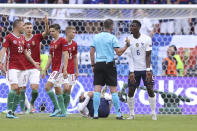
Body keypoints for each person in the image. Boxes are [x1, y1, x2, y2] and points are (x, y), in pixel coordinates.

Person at [90, 19, 130, 120]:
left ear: (103, 26)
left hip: (98, 64)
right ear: (111, 26)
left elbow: (91, 52)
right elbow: (119, 53)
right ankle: (118, 114)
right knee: (113, 91)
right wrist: (127, 45)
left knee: (97, 90)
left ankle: (95, 114)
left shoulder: (96, 37)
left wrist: (93, 65)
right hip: (109, 65)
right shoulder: (112, 38)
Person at [0, 19, 40, 119]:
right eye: (23, 25)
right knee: (14, 87)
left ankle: (12, 112)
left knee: (19, 91)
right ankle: (9, 111)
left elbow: (26, 52)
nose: (24, 27)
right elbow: (3, 50)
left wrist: (33, 62)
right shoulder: (9, 37)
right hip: (12, 67)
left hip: (23, 68)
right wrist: (0, 62)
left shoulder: (22, 38)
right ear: (18, 26)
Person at [126, 20, 157, 120]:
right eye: (130, 26)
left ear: (139, 28)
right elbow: (129, 57)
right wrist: (131, 72)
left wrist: (148, 70)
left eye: (133, 26)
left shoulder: (147, 38)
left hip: (146, 69)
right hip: (134, 70)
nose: (131, 28)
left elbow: (148, 55)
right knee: (131, 91)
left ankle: (153, 113)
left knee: (150, 89)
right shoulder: (128, 40)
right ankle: (131, 114)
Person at [18, 16, 49, 114]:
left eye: (30, 28)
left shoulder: (37, 37)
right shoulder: (21, 39)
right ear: (23, 29)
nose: (29, 29)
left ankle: (31, 104)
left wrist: (46, 24)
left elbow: (46, 33)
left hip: (35, 67)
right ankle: (23, 110)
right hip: (23, 67)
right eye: (27, 28)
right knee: (22, 89)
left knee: (35, 89)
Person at [41, 24, 69, 117]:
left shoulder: (63, 41)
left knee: (47, 87)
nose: (51, 33)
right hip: (54, 69)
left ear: (58, 31)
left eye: (53, 31)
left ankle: (57, 108)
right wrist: (45, 69)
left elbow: (66, 55)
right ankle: (63, 112)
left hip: (59, 69)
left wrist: (65, 69)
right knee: (57, 90)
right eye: (50, 31)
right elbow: (50, 57)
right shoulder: (52, 43)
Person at [62, 26, 79, 113]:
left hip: (71, 70)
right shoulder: (61, 42)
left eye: (75, 32)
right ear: (67, 33)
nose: (74, 34)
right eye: (73, 32)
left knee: (68, 90)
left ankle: (64, 109)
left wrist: (77, 70)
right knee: (65, 88)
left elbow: (75, 57)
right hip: (62, 70)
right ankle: (59, 106)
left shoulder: (75, 44)